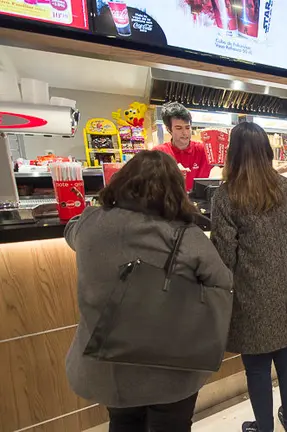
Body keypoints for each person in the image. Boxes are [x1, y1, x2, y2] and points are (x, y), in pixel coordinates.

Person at [64, 151, 232, 432]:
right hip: (171, 368)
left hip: (110, 362)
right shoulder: (183, 235)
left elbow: (71, 232)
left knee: (123, 422)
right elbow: (222, 281)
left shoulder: (90, 224)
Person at [211, 122, 287, 432]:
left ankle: (264, 427)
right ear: (268, 152)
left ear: (232, 154)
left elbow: (223, 258)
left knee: (257, 368)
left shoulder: (226, 195)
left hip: (251, 296)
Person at [154, 102, 213, 191]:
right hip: (169, 202)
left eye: (187, 127)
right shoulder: (159, 153)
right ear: (168, 129)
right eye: (179, 128)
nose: (185, 133)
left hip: (198, 201)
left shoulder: (204, 150)